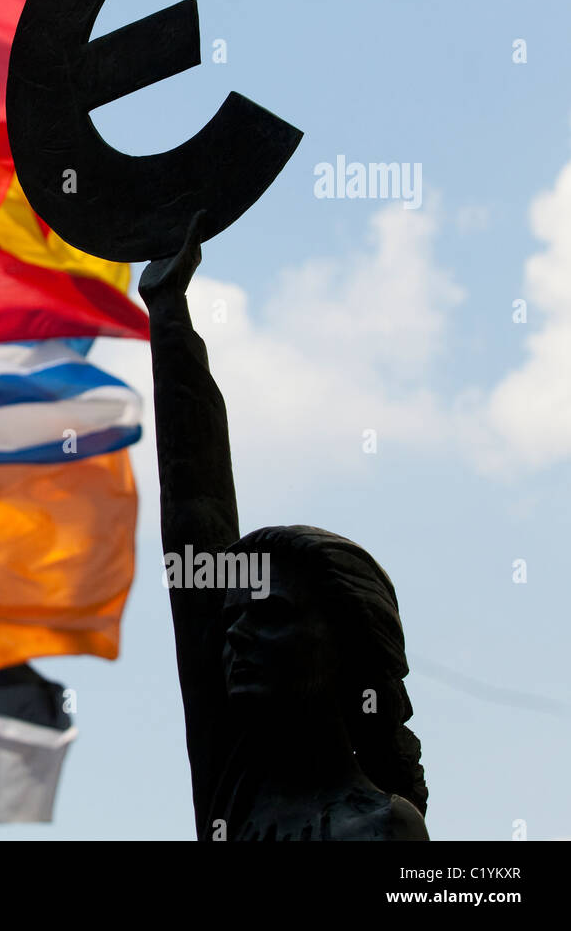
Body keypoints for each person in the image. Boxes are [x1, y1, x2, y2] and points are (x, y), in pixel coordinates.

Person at [140, 212, 428, 840]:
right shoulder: (236, 789)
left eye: (270, 616)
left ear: (345, 648)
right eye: (236, 615)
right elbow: (194, 509)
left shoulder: (379, 830)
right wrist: (166, 313)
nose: (236, 633)